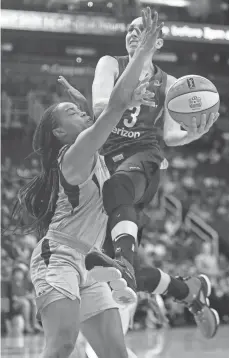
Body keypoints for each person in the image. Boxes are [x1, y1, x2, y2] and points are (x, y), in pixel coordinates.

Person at [61, 7, 219, 339]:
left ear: (157, 41)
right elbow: (102, 107)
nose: (133, 33)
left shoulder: (171, 83)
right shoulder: (110, 63)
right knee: (98, 267)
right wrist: (126, 95)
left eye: (141, 30)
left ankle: (124, 260)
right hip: (106, 160)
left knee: (119, 200)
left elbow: (170, 135)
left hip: (144, 158)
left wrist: (194, 134)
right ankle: (187, 290)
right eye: (130, 29)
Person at [13, 9, 162, 358]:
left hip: (92, 262)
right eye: (72, 112)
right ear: (59, 132)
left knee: (115, 354)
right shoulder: (74, 154)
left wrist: (83, 101)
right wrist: (142, 51)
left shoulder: (93, 149)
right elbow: (111, 110)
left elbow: (100, 117)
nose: (81, 112)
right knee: (62, 344)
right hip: (59, 258)